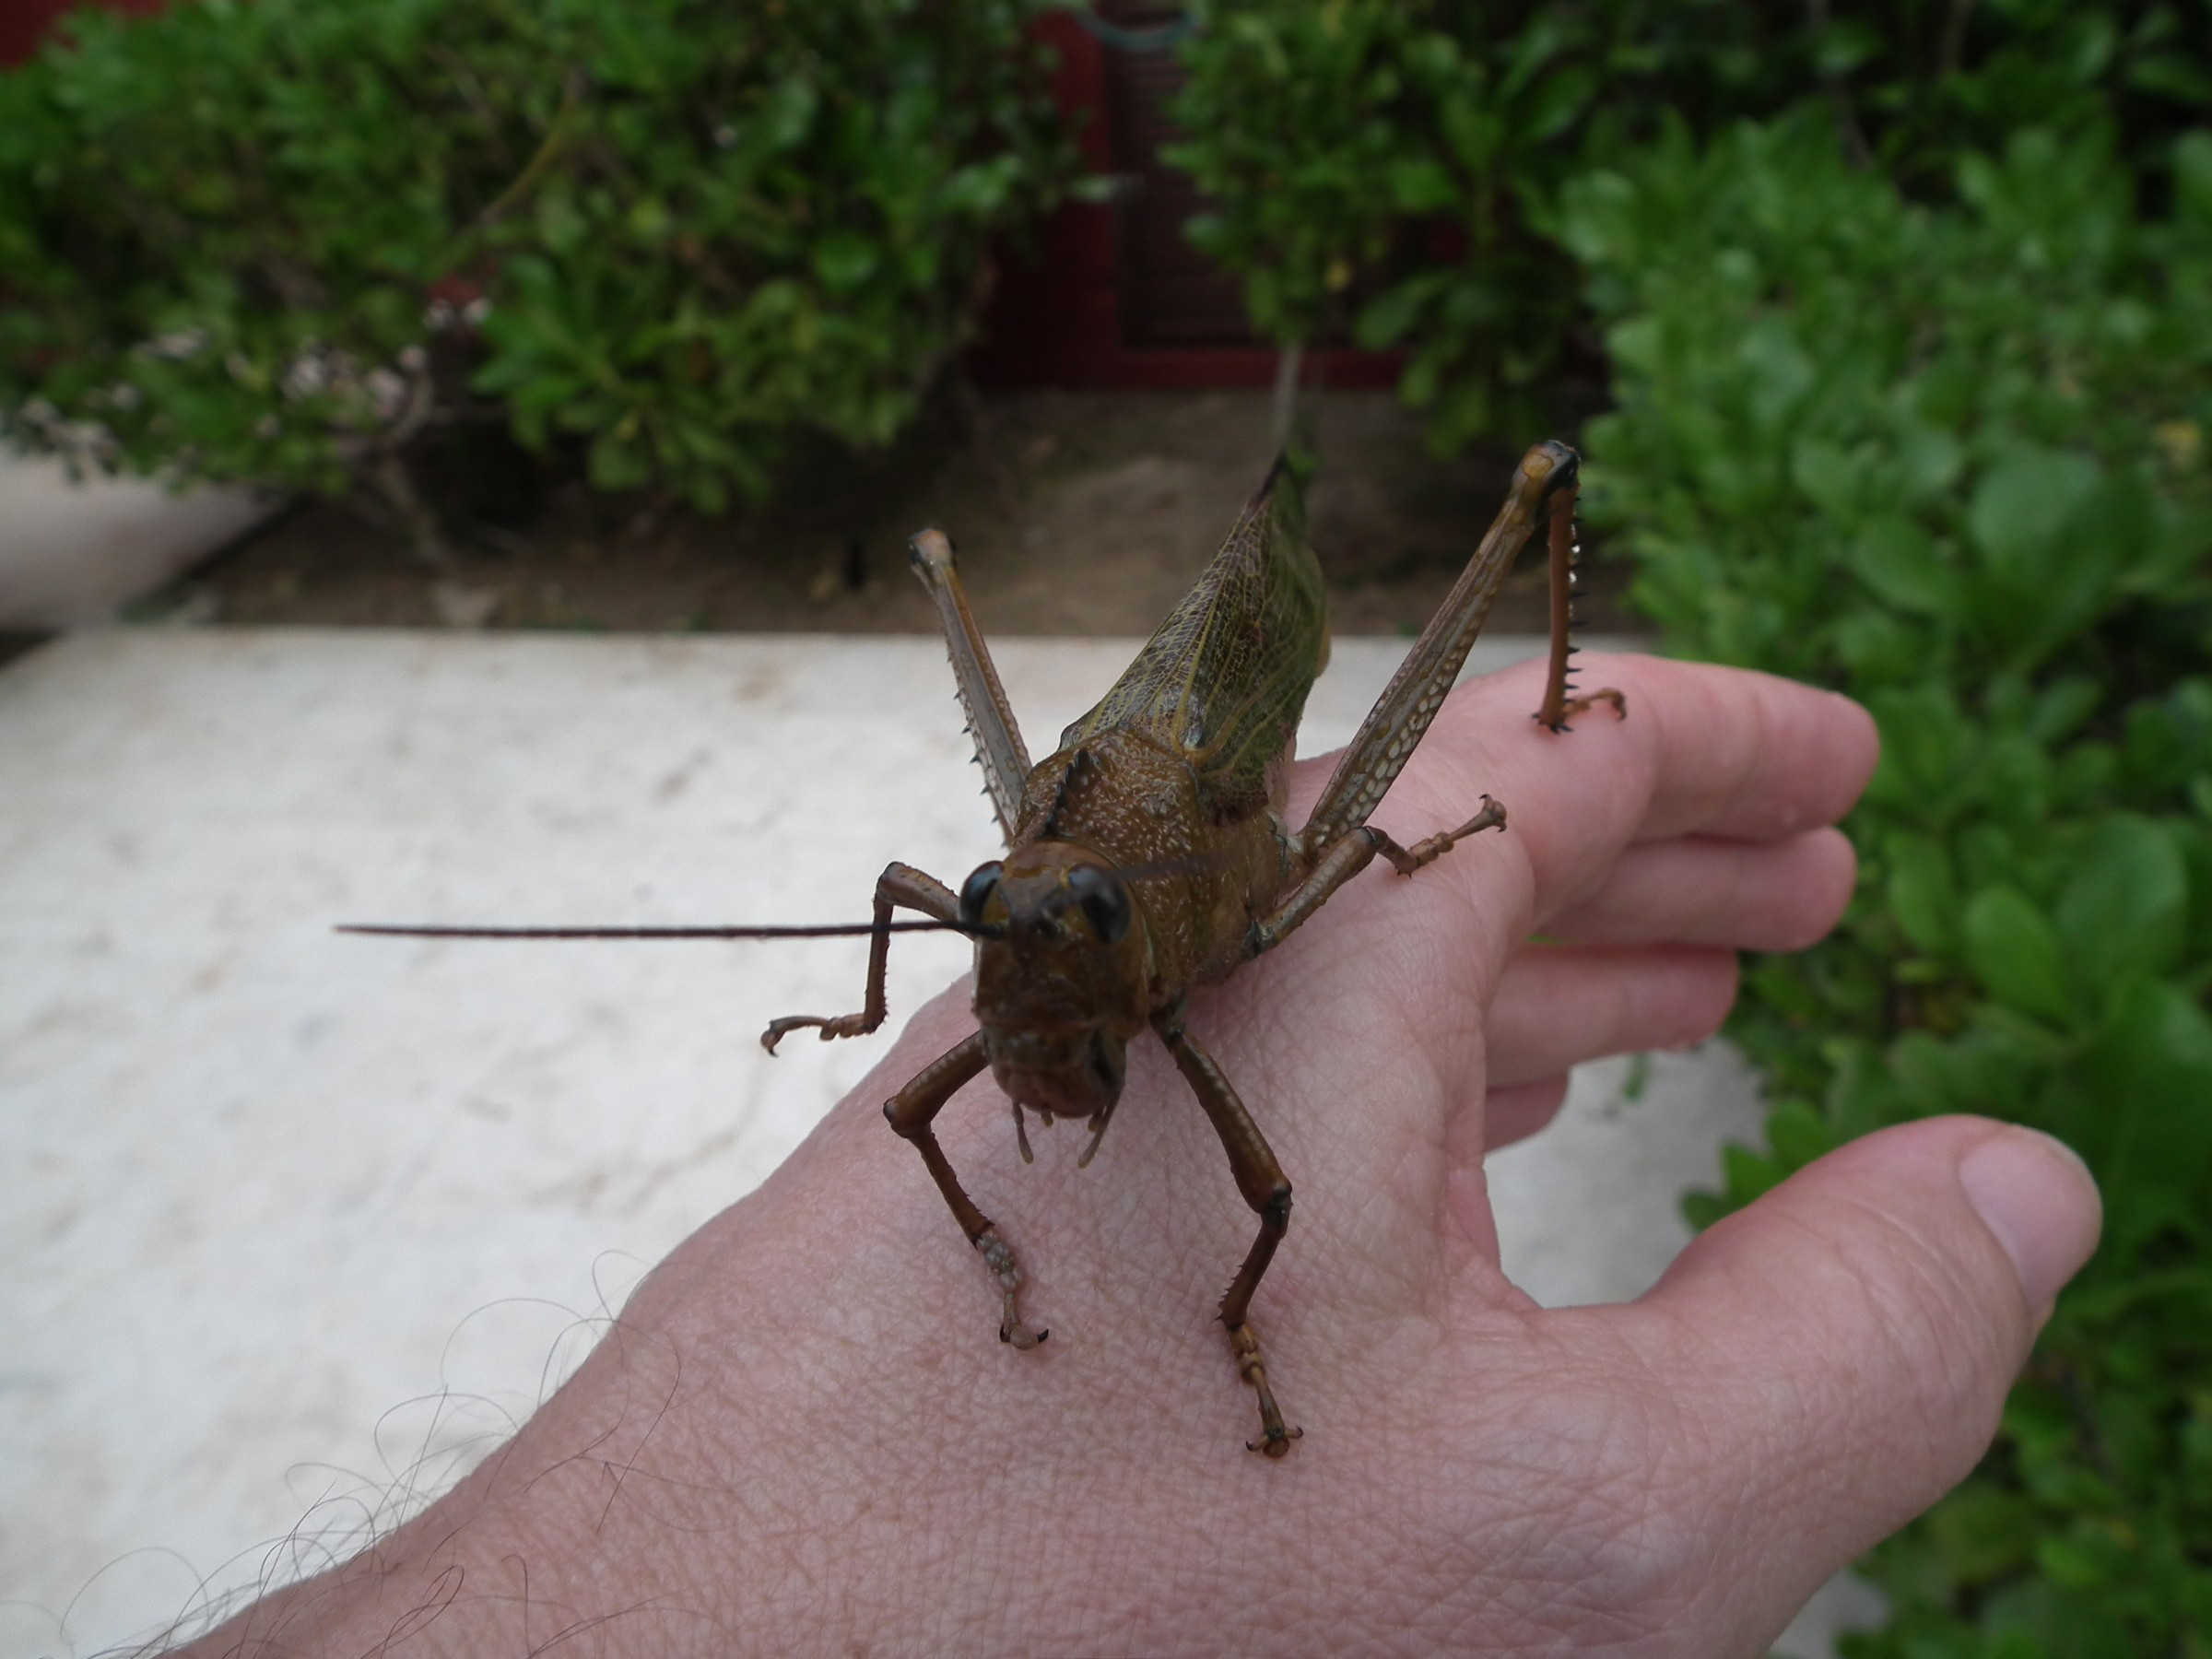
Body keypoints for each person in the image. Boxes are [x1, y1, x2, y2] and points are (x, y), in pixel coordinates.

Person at [177, 654, 2100, 1657]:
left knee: (1285, 1114)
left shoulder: (1203, 954)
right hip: (1092, 823)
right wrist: (900, 1019)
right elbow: (914, 898)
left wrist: (1382, 845)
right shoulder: (1003, 935)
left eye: (1045, 976)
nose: (1016, 1027)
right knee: (945, 1057)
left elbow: (1288, 1107)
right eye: (997, 957)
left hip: (1219, 820)